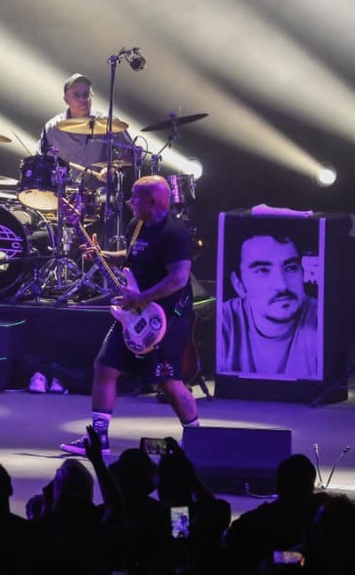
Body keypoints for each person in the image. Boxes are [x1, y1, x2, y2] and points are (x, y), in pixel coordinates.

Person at [60, 175, 200, 455]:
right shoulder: (137, 225)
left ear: (153, 200)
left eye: (135, 197)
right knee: (105, 366)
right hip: (134, 311)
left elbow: (178, 279)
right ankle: (98, 439)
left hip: (166, 316)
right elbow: (132, 256)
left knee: (169, 382)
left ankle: (197, 440)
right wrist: (103, 254)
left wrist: (142, 297)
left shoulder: (174, 233)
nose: (130, 202)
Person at [218, 229, 320, 379]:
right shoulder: (226, 320)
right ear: (238, 284)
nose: (282, 285)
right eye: (263, 271)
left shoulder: (321, 317)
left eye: (291, 268)